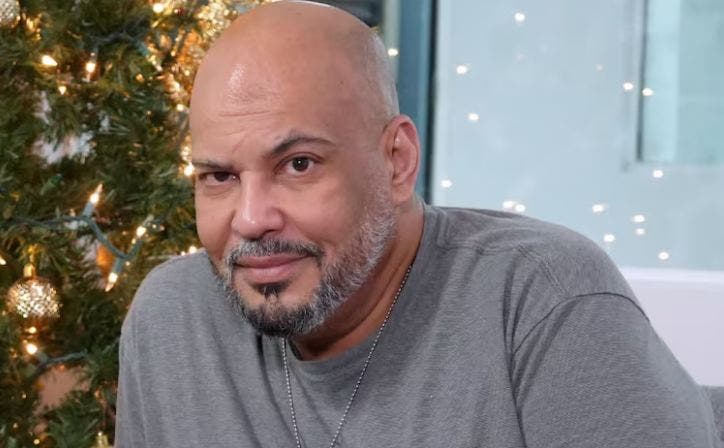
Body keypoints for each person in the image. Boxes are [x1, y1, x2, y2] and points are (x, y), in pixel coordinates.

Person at [115, 1, 722, 447]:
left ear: (396, 162)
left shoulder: (543, 300)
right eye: (219, 176)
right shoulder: (173, 321)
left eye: (298, 165)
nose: (251, 219)